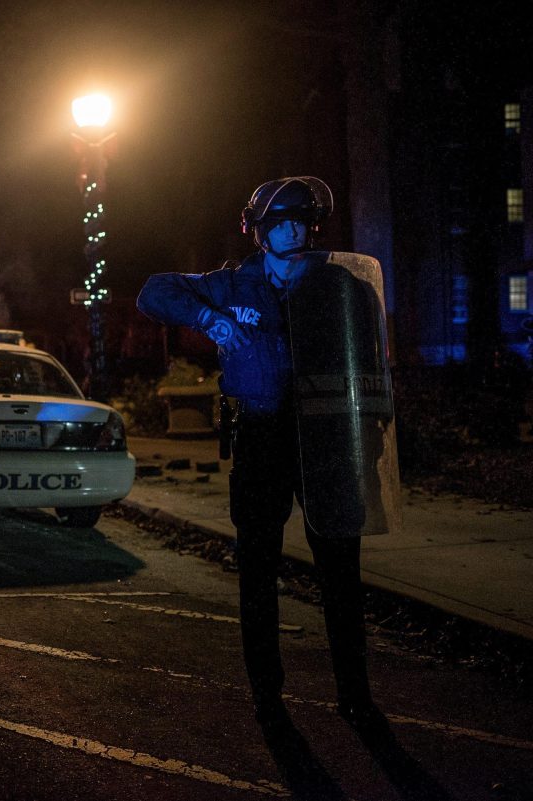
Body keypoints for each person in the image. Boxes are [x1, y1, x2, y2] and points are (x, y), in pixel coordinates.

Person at [136, 177, 393, 739]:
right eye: (279, 223)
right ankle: (266, 696)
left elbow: (371, 366)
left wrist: (370, 441)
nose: (292, 231)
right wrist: (210, 319)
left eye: (300, 221)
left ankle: (355, 695)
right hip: (261, 436)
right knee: (257, 570)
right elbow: (153, 291)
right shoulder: (232, 284)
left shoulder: (340, 286)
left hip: (327, 440)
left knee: (341, 572)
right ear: (258, 232)